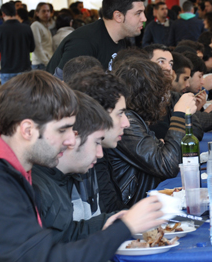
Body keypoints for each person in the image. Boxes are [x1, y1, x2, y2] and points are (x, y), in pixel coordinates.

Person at [0, 70, 164, 262]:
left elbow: (56, 238)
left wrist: (110, 224)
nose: (70, 140)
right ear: (28, 130)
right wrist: (125, 227)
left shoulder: (8, 168)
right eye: (62, 129)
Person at [106, 59, 197, 206]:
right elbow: (168, 164)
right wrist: (179, 115)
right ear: (148, 94)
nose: (164, 99)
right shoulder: (128, 122)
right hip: (133, 208)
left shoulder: (135, 118)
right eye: (160, 92)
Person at [31, 91, 116, 242]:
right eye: (97, 142)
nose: (100, 153)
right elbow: (61, 243)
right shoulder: (39, 188)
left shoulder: (68, 176)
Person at [67, 70, 131, 214]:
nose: (127, 123)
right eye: (120, 114)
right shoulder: (74, 165)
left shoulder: (100, 154)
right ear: (97, 114)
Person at [47, 0, 146, 79]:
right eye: (138, 13)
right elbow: (63, 88)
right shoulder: (83, 42)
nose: (144, 18)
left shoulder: (120, 40)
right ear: (118, 16)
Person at [0, 2, 35, 85]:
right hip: (25, 70)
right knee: (25, 96)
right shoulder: (26, 28)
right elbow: (32, 48)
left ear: (3, 14)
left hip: (7, 70)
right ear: (16, 13)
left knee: (8, 97)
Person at [30, 2, 53, 70]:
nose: (46, 13)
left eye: (48, 11)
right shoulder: (36, 25)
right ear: (37, 13)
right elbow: (37, 47)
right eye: (43, 11)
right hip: (40, 64)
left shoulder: (45, 26)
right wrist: (47, 63)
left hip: (46, 62)